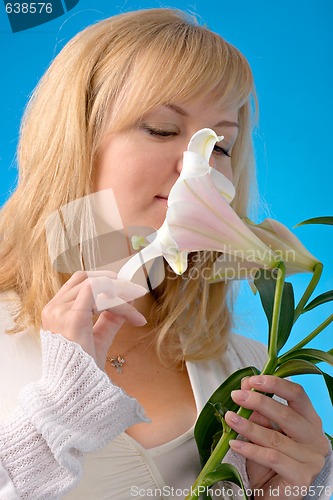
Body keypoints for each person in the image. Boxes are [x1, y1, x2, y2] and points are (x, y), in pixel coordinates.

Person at [0, 8, 331, 500]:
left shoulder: (248, 365)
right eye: (160, 128)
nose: (197, 169)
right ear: (74, 140)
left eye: (220, 145)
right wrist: (63, 408)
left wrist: (290, 490)